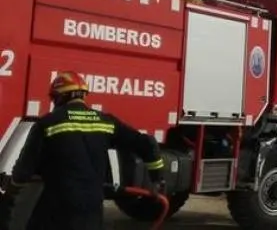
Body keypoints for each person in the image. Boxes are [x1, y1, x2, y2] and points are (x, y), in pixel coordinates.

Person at [7, 71, 166, 229]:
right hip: (92, 208)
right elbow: (148, 143)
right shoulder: (106, 122)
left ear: (60, 97)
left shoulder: (47, 124)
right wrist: (157, 180)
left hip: (56, 209)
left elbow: (24, 170)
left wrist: (12, 189)